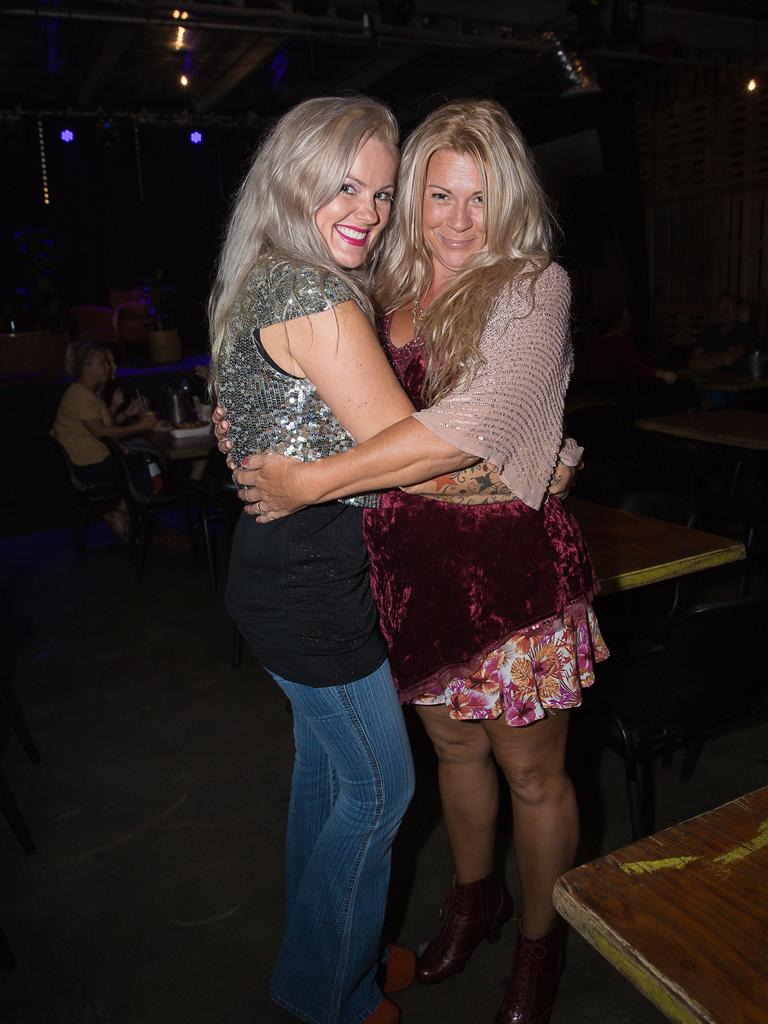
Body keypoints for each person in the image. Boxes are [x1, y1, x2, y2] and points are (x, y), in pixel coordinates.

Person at [223, 98, 607, 1024]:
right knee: (454, 758)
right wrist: (254, 423)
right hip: (403, 577)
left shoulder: (532, 285)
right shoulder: (380, 286)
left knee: (532, 774)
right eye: (437, 195)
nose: (458, 220)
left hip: (509, 579)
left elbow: (473, 425)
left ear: (509, 199)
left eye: (481, 198)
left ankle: (538, 945)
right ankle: (473, 904)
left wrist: (310, 481)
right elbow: (308, 387)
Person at [208, 94, 477, 1024]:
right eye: (344, 186)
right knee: (381, 786)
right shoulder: (316, 293)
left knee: (326, 781)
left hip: (276, 574)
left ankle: (327, 955)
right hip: (315, 586)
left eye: (381, 190)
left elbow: (250, 415)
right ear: (293, 184)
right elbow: (408, 451)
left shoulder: (266, 277)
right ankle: (331, 994)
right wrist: (517, 445)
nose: (368, 209)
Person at [51, 341, 159, 536]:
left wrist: (125, 414)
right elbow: (101, 433)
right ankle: (131, 513)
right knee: (147, 462)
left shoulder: (87, 393)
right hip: (89, 467)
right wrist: (140, 426)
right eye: (103, 362)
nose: (109, 367)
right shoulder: (78, 395)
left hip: (93, 461)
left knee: (143, 457)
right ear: (87, 366)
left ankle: (127, 514)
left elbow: (101, 426)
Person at [689, 293, 753, 372]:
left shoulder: (744, 331)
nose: (725, 311)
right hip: (705, 379)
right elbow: (693, 362)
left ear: (737, 311)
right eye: (722, 306)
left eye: (729, 306)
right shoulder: (709, 331)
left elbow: (728, 360)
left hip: (734, 381)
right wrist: (721, 357)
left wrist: (704, 356)